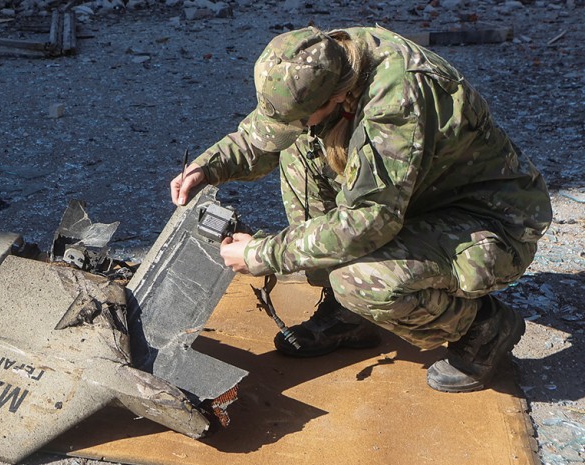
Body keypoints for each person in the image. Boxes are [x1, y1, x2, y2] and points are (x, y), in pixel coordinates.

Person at [169, 26, 552, 393]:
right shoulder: (326, 59)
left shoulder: (397, 101)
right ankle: (347, 315)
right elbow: (270, 130)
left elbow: (369, 221)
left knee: (360, 279)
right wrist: (209, 166)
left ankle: (482, 329)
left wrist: (262, 254)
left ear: (337, 97)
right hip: (418, 202)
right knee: (301, 148)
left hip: (491, 224)